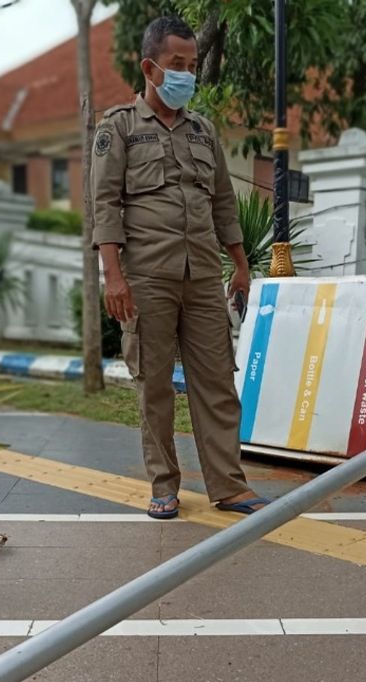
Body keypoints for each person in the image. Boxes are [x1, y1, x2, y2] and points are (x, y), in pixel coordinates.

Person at [91, 15, 270, 521]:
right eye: (177, 65)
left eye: (192, 66)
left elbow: (221, 201)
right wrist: (114, 276)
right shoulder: (119, 128)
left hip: (203, 277)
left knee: (216, 382)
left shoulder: (203, 131)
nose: (186, 75)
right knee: (154, 386)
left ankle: (229, 485)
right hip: (146, 276)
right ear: (150, 67)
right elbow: (104, 204)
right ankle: (164, 485)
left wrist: (238, 264)